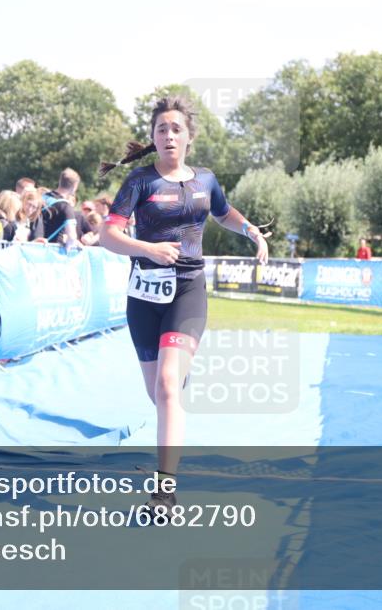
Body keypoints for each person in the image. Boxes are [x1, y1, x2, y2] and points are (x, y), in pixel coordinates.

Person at [97, 96, 269, 518]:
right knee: (158, 392)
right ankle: (172, 394)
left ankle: (164, 491)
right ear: (153, 138)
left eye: (176, 129)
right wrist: (147, 249)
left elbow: (224, 214)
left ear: (189, 137)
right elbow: (108, 235)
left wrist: (252, 232)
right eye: (161, 129)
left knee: (169, 386)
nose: (168, 135)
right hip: (143, 296)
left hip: (188, 291)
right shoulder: (139, 182)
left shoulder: (206, 180)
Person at [41, 168, 83, 247]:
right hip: (53, 250)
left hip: (34, 247)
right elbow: (72, 237)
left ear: (60, 181)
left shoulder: (42, 198)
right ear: (74, 186)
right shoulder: (65, 206)